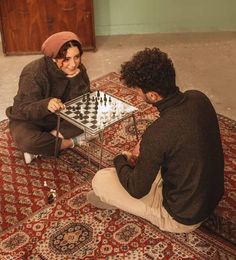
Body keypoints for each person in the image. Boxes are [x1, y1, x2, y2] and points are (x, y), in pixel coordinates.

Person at [87, 48, 224, 233]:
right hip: (211, 198)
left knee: (101, 180)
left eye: (137, 91)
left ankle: (118, 199)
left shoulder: (158, 134)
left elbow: (137, 189)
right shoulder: (198, 97)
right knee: (156, 160)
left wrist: (120, 159)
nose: (136, 95)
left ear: (152, 95)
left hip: (182, 218)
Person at [6, 31, 91, 164]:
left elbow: (83, 103)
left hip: (62, 117)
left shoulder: (78, 70)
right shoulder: (33, 72)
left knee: (94, 114)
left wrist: (76, 80)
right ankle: (71, 142)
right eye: (66, 59)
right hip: (31, 119)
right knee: (27, 141)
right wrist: (46, 104)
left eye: (77, 57)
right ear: (53, 57)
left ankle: (46, 145)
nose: (73, 64)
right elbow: (23, 109)